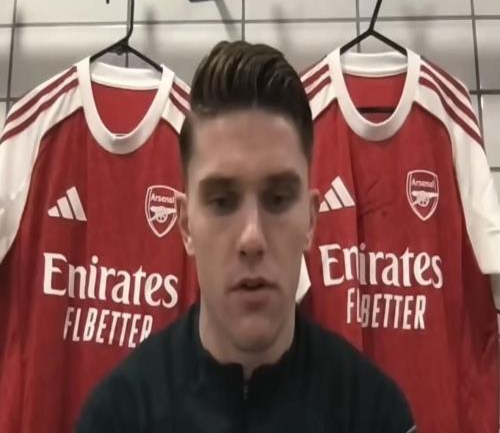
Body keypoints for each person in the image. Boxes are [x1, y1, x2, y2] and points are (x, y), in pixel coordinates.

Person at [76, 40, 416, 433]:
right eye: (222, 201)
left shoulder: (376, 414)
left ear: (310, 220)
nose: (252, 238)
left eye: (278, 198)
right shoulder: (117, 417)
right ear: (186, 225)